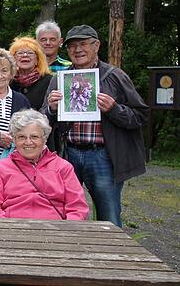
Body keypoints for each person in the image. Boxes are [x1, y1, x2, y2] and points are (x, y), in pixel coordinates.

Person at [42, 24, 148, 227]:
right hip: (69, 154)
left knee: (108, 216)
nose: (77, 50)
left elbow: (141, 116)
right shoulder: (60, 79)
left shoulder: (114, 76)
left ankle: (111, 255)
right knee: (64, 211)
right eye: (72, 46)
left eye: (83, 44)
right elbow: (42, 121)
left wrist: (114, 109)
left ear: (96, 45)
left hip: (103, 156)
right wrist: (51, 109)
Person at [0, 109, 89, 220]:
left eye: (34, 137)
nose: (28, 142)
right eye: (21, 137)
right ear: (14, 140)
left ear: (44, 139)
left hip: (56, 231)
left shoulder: (63, 167)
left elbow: (77, 208)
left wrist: (65, 232)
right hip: (13, 231)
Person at [9, 36, 52, 110]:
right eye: (20, 53)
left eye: (30, 53)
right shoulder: (8, 81)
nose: (25, 55)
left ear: (37, 60)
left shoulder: (49, 81)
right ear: (13, 59)